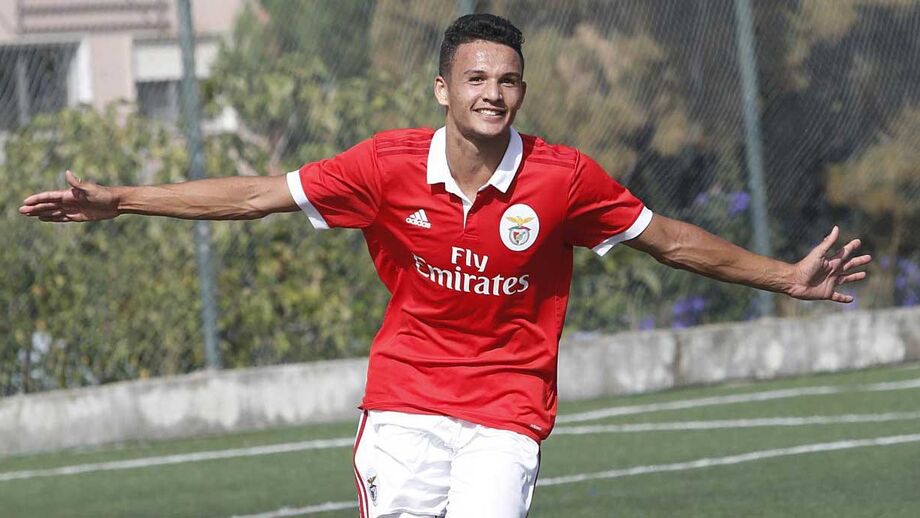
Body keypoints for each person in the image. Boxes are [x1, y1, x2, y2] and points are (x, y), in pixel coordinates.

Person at [19, 13, 870, 518]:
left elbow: (669, 239)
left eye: (508, 80)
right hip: (404, 406)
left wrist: (784, 277)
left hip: (506, 411)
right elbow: (253, 196)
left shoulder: (565, 178)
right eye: (476, 78)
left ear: (522, 92)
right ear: (443, 89)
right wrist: (123, 198)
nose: (493, 93)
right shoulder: (383, 165)